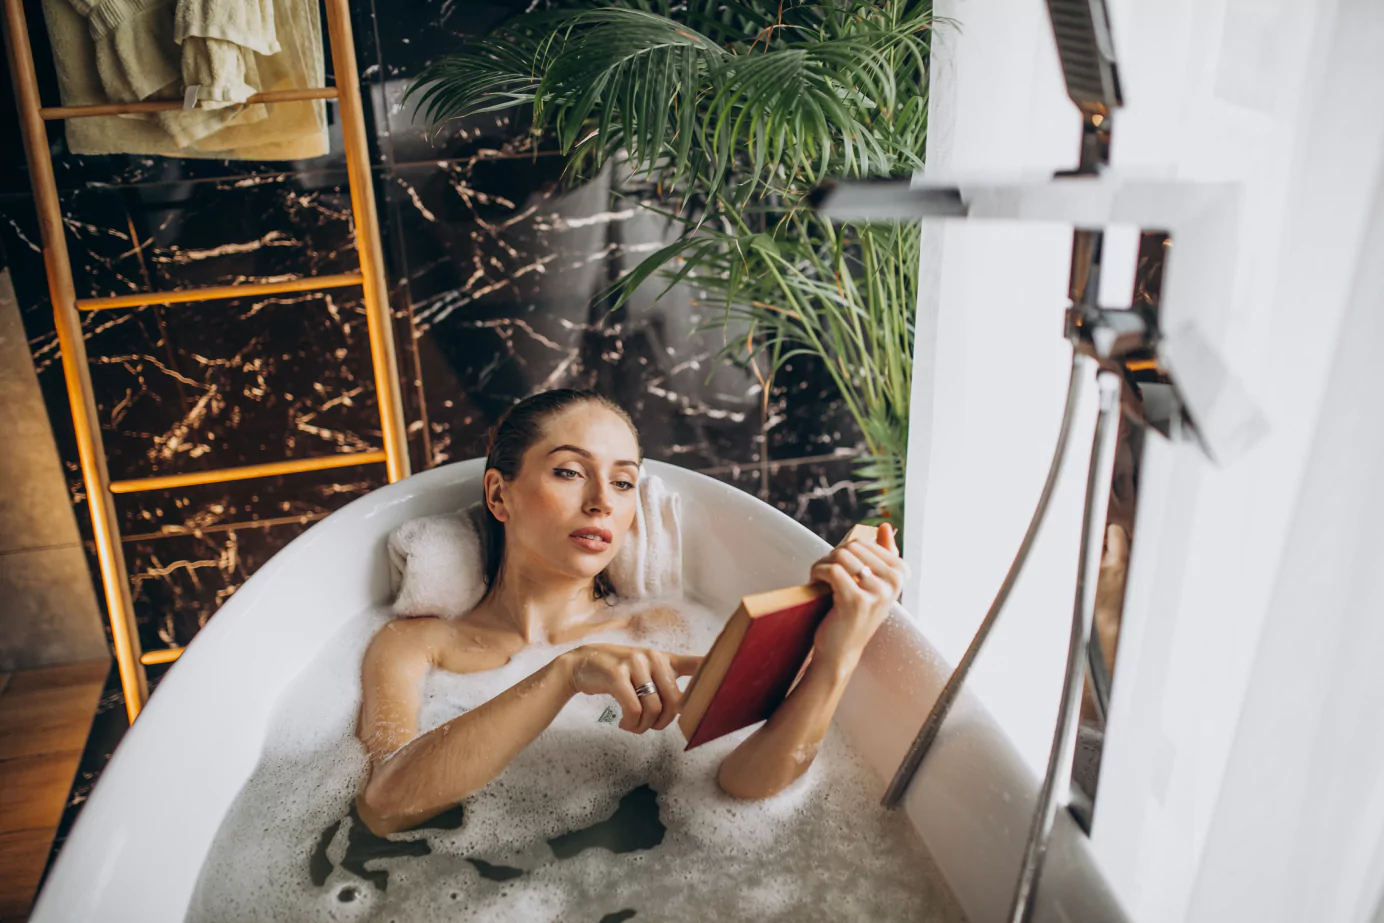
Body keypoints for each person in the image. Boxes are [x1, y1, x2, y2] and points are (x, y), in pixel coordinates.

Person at [355, 389, 908, 836]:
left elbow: (739, 787)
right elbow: (386, 806)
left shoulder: (654, 629)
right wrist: (566, 671)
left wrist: (836, 656)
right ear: (500, 496)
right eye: (570, 471)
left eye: (623, 483)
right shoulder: (416, 644)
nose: (602, 500)